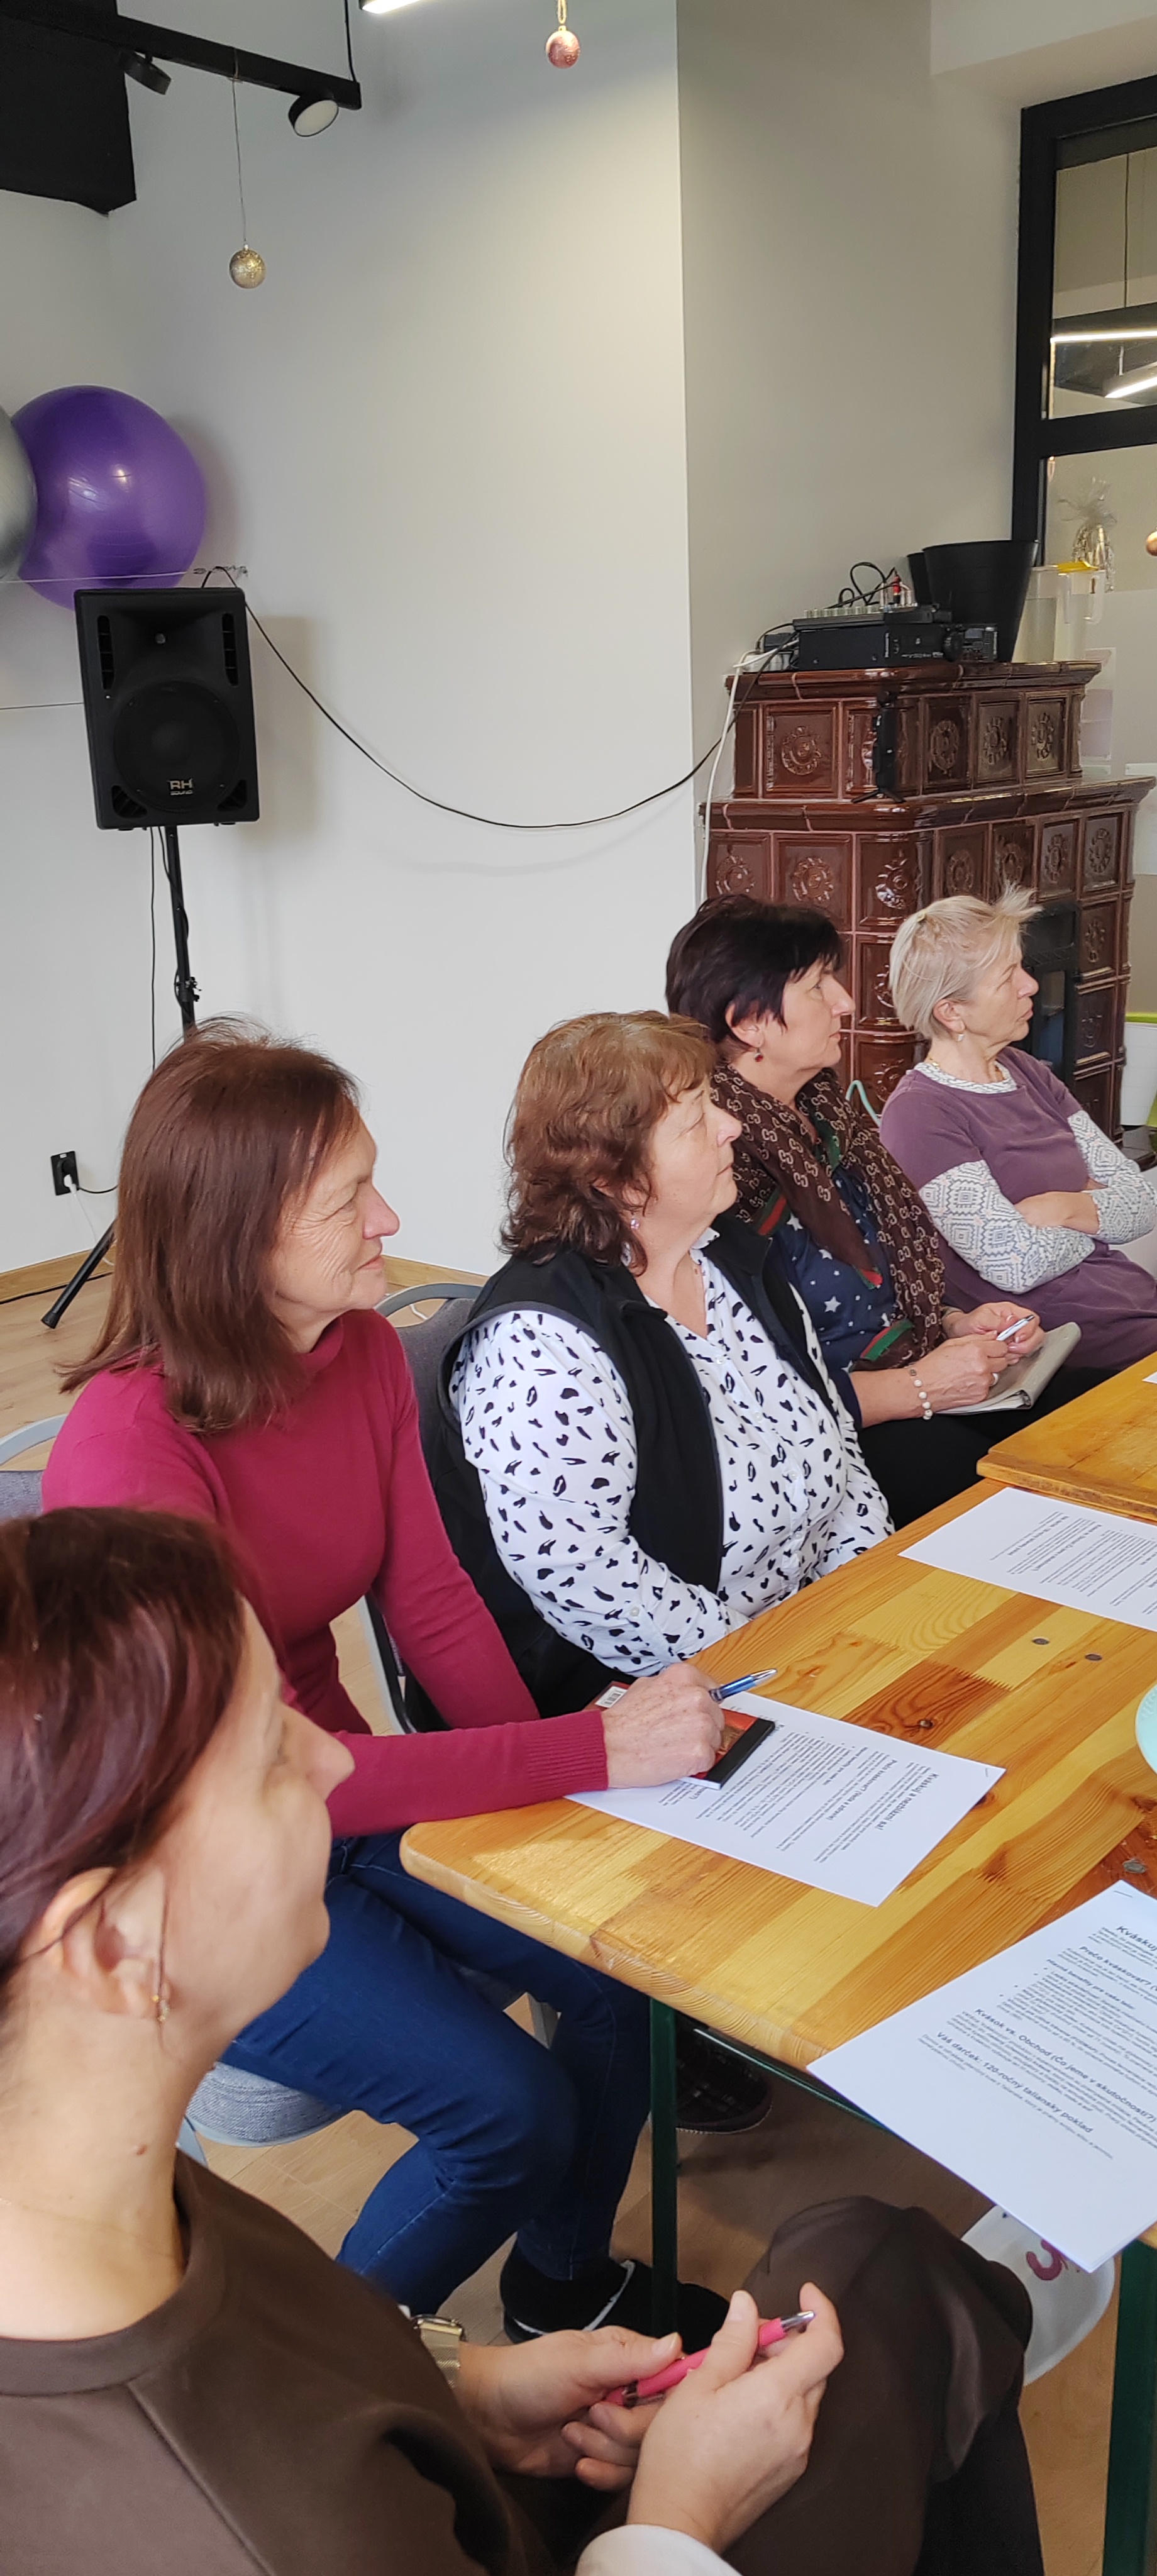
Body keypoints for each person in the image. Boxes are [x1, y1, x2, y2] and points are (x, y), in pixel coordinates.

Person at [0, 1506, 1046, 2576]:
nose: (333, 1760)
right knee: (893, 2281)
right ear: (115, 1944)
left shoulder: (86, 2187)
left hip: (451, 2448)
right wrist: (677, 2516)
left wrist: (461, 2380)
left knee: (875, 2264)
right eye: (270, 1753)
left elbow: (274, 2343)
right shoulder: (273, 2529)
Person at [43, 1023, 732, 2341]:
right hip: (200, 1872)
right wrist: (590, 1752)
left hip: (342, 1803)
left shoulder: (356, 1351)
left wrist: (568, 1819)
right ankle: (329, 2373)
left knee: (619, 1968)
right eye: (349, 1199)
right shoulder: (130, 1450)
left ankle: (556, 2285)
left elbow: (433, 1607)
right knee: (509, 2112)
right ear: (238, 1237)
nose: (391, 1220)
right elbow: (258, 1770)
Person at [433, 1012, 890, 1716]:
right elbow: (583, 1573)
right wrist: (769, 1671)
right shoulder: (541, 1342)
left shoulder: (732, 1258)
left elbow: (838, 1443)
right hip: (652, 1700)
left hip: (805, 1647)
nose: (731, 1126)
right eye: (695, 1120)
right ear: (612, 1178)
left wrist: (864, 1606)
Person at [665, 896, 1110, 1528]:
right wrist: (922, 1386)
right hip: (839, 1427)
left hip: (921, 1379)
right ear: (749, 1023)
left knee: (1100, 1424)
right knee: (1026, 1507)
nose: (846, 1002)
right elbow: (740, 1393)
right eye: (819, 986)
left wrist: (955, 1324)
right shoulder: (716, 1164)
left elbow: (880, 1281)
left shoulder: (827, 1114)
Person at [881, 891, 1157, 1372]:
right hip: (1072, 1346)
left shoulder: (1025, 1071)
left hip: (1134, 1306)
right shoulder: (920, 1113)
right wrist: (1094, 1214)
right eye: (1008, 976)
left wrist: (1058, 1207)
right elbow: (1015, 1263)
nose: (1030, 985)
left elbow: (1142, 1204)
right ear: (952, 1012)